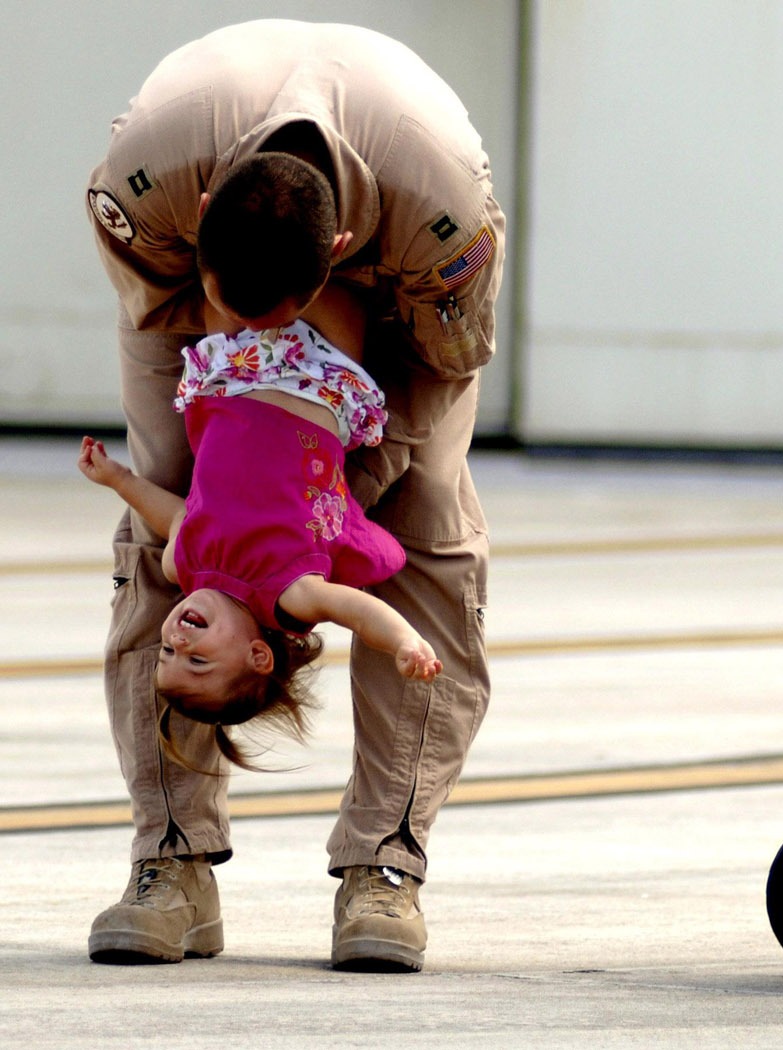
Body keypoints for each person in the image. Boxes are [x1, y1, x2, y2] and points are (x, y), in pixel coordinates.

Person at [85, 19, 503, 973]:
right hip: (197, 308)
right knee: (160, 535)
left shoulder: (441, 218)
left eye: (279, 313)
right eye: (244, 307)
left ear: (338, 254)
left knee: (432, 533)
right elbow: (159, 314)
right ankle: (171, 861)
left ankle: (383, 865)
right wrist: (214, 480)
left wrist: (327, 511)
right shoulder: (145, 183)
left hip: (402, 296)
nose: (268, 330)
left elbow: (440, 366)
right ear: (201, 219)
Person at [77, 288, 442, 760]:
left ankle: (245, 231)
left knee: (228, 288)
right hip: (317, 382)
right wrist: (404, 641)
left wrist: (119, 480)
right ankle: (316, 253)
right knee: (327, 292)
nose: (177, 639)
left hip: (232, 377)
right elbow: (358, 612)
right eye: (198, 659)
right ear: (258, 656)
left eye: (168, 653)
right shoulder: (290, 594)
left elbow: (179, 516)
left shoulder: (183, 566)